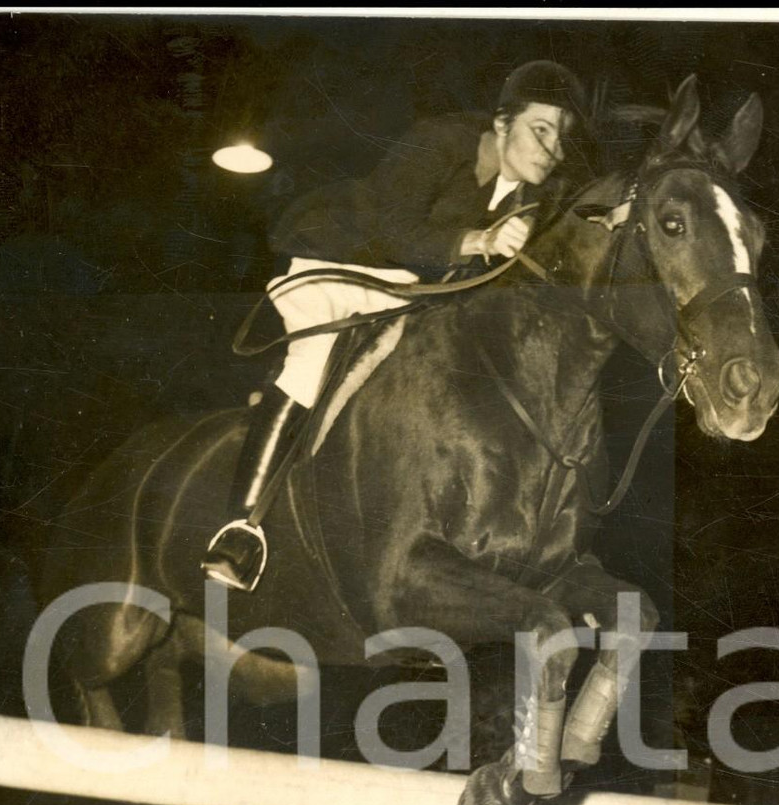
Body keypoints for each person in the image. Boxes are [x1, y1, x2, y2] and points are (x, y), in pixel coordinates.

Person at [202, 60, 588, 591]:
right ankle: (240, 530)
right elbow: (392, 226)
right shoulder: (440, 140)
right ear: (501, 125)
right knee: (313, 362)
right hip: (335, 260)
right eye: (540, 130)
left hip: (400, 287)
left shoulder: (530, 196)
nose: (553, 150)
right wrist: (477, 241)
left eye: (562, 137)